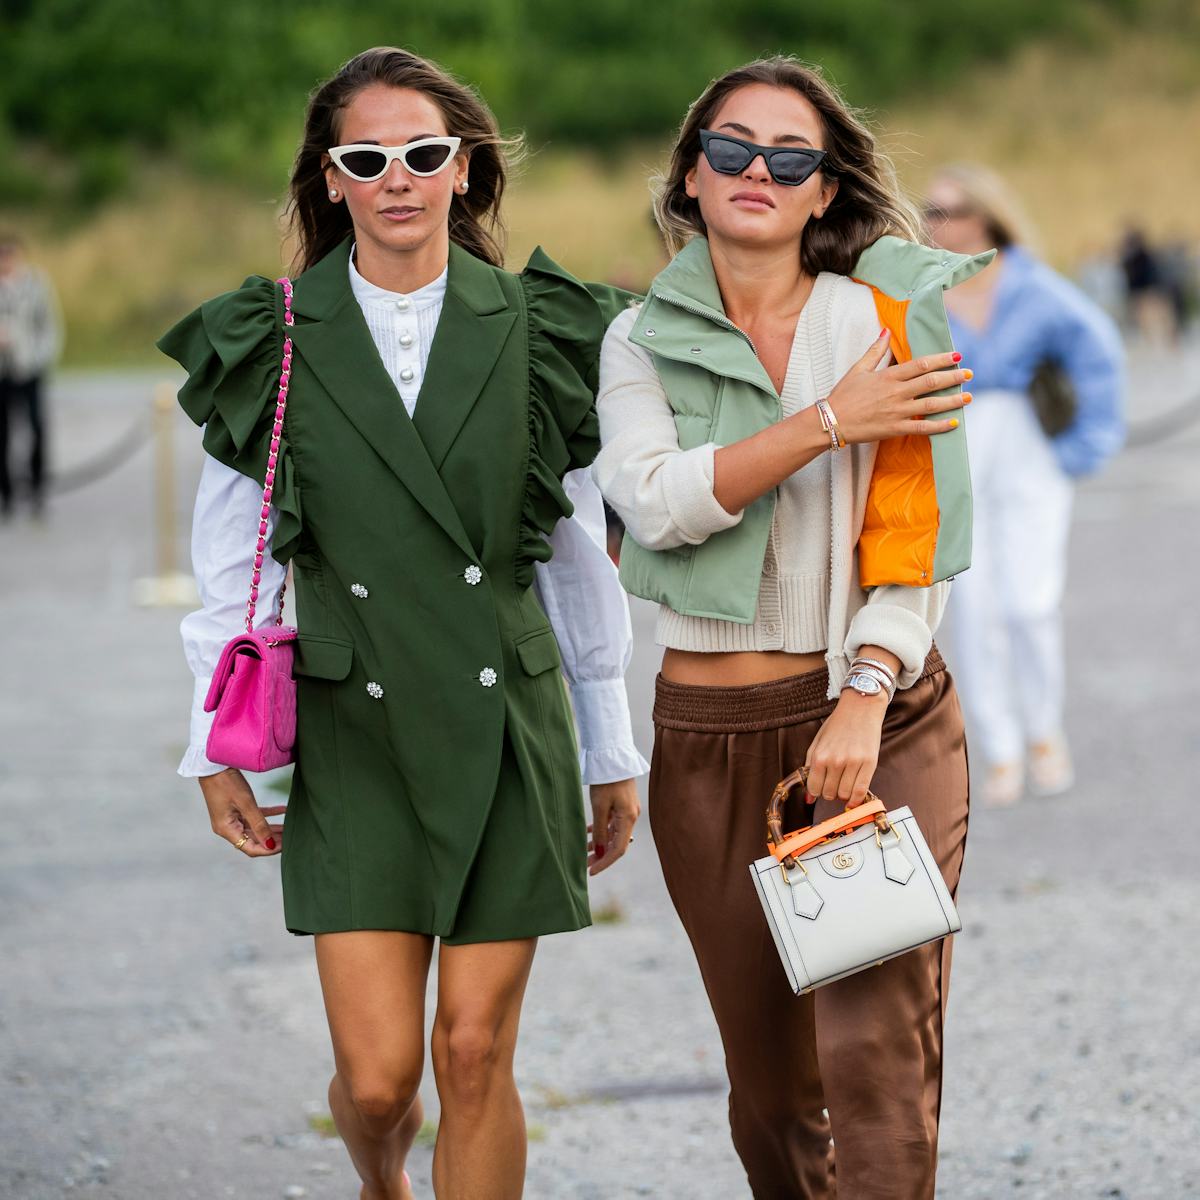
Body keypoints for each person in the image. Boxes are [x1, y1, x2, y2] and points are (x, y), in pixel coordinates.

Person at [158, 47, 647, 1200]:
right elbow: (231, 570)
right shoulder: (270, 337)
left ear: (464, 168)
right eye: (365, 158)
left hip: (508, 724)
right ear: (330, 180)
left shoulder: (542, 327)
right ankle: (381, 1181)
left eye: (424, 154)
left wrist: (611, 745)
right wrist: (209, 747)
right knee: (379, 1084)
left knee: (473, 1052)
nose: (397, 178)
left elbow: (577, 558)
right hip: (350, 724)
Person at [595, 57, 973, 1199]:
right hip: (710, 735)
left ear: (824, 192)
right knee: (771, 1090)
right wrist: (825, 423)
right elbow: (654, 500)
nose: (758, 169)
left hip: (877, 715)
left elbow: (918, 534)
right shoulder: (637, 341)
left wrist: (864, 691)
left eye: (791, 156)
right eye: (732, 147)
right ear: (692, 176)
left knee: (872, 1053)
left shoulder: (889, 320)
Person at [924, 164, 1125, 807]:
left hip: (1029, 444)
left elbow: (1099, 356)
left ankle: (1044, 731)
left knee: (1030, 603)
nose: (934, 222)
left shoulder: (1036, 286)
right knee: (973, 604)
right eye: (929, 210)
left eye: (947, 210)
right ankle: (1001, 745)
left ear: (985, 217)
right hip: (956, 442)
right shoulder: (921, 288)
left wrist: (1082, 447)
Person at [0, 232, 62, 519]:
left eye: (10, 255)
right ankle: (7, 495)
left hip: (30, 369)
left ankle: (37, 490)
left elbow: (49, 325)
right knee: (3, 434)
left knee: (37, 428)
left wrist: (39, 359)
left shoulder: (36, 284)